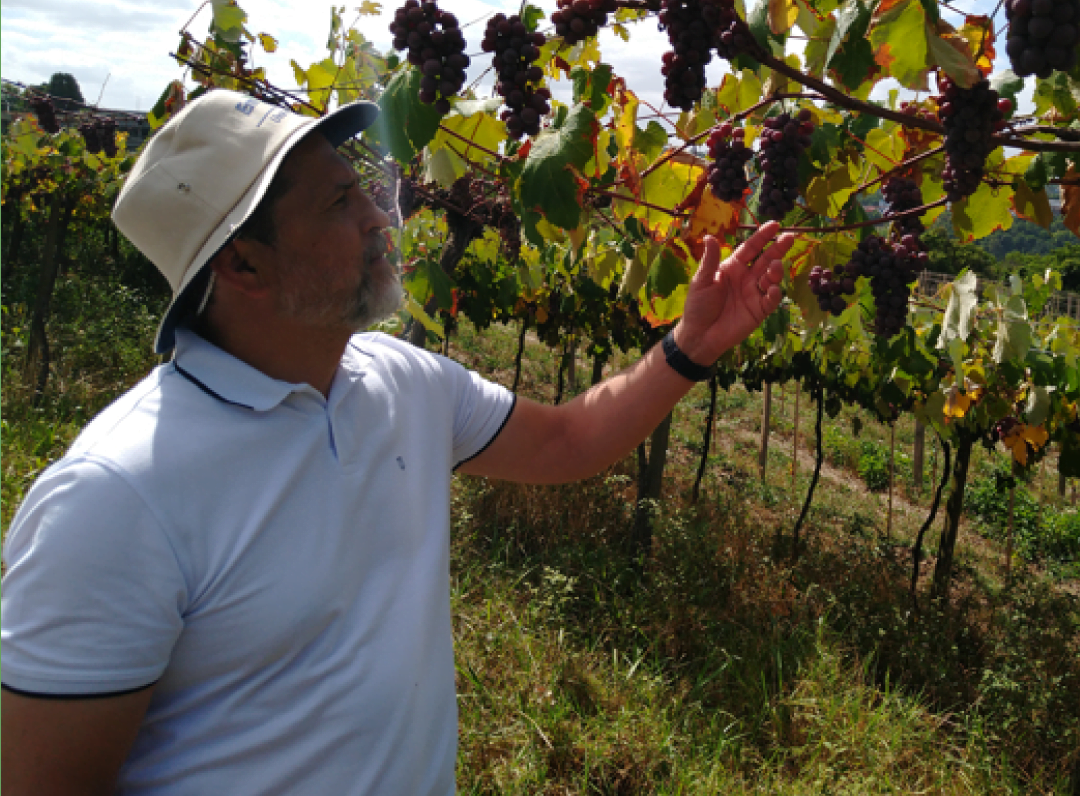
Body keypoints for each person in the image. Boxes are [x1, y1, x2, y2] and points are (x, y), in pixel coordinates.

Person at [1, 89, 793, 796]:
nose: (380, 217)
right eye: (338, 203)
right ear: (243, 263)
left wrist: (690, 349)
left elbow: (567, 442)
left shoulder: (400, 380)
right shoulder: (115, 498)